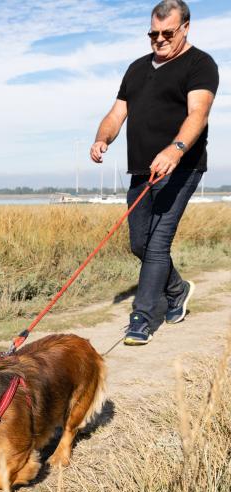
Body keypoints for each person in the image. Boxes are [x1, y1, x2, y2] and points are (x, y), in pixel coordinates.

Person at [90, 0, 218, 345]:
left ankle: (141, 318)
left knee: (158, 242)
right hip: (141, 171)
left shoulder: (200, 64)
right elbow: (117, 113)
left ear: (185, 27)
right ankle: (177, 290)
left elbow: (198, 114)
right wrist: (103, 137)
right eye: (153, 33)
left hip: (181, 167)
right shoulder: (135, 69)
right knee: (139, 243)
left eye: (167, 33)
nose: (159, 39)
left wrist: (175, 150)